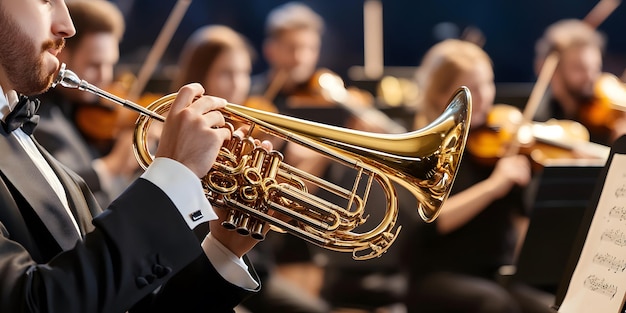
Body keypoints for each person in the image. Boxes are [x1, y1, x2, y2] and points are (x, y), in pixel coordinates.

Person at [0, 0, 271, 311]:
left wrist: (223, 250)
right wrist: (173, 175)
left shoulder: (32, 145)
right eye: (45, 1)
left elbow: (122, 301)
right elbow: (33, 303)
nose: (67, 25)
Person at [403, 39, 555, 313]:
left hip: (496, 274)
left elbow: (520, 224)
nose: (485, 95)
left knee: (549, 308)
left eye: (488, 83)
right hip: (438, 275)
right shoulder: (425, 151)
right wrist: (493, 186)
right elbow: (427, 223)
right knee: (494, 304)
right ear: (441, 96)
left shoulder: (503, 144)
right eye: (473, 88)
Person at [34, 0, 144, 207]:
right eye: (95, 65)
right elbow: (58, 186)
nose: (105, 76)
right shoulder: (39, 116)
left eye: (111, 64)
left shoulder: (87, 112)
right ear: (61, 52)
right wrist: (114, 163)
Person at [533, 18, 624, 146]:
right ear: (552, 71)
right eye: (579, 68)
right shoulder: (538, 123)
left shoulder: (605, 125)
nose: (591, 77)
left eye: (595, 68)